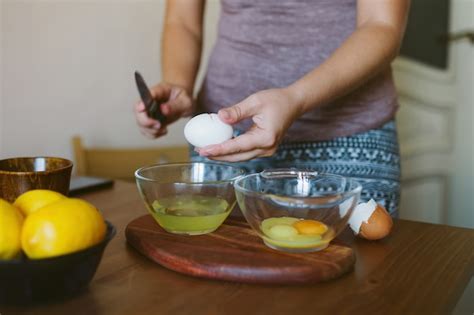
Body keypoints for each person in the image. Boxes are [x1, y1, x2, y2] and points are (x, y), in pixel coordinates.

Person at [134, 0, 410, 217]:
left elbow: (382, 25)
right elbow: (182, 21)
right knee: (223, 273)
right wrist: (178, 84)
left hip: (353, 132)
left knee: (358, 272)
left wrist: (295, 99)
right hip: (229, 138)